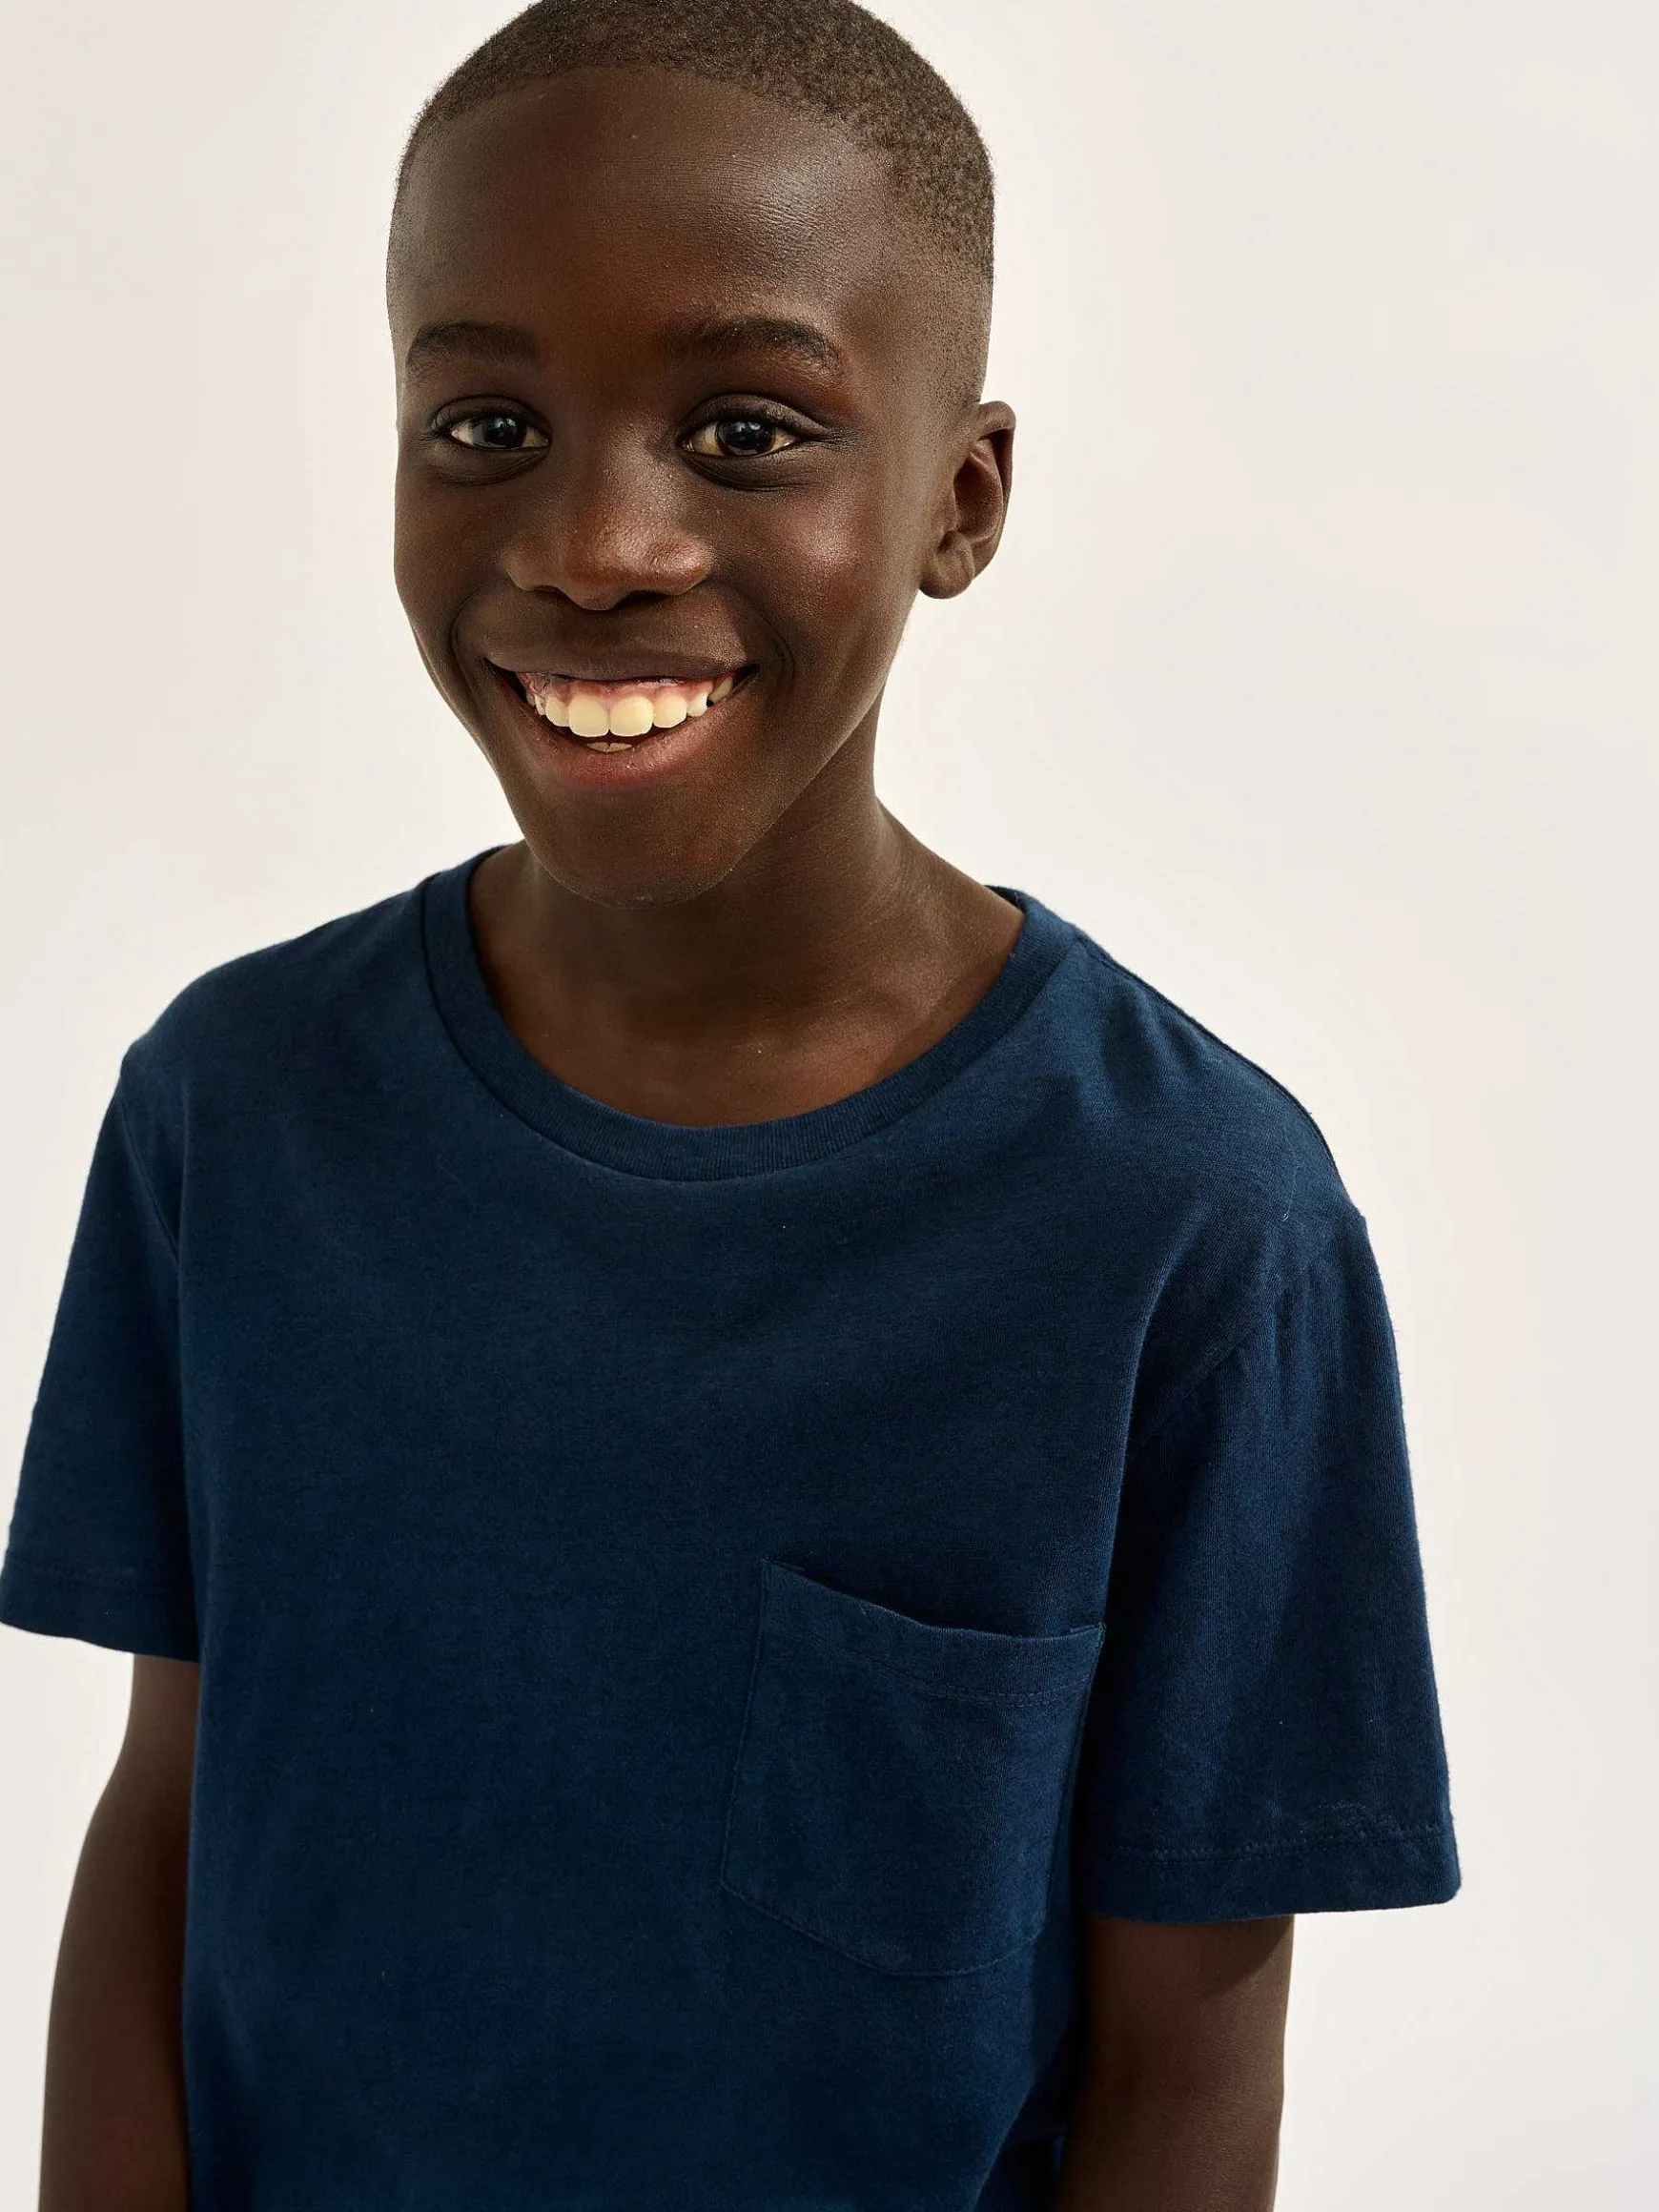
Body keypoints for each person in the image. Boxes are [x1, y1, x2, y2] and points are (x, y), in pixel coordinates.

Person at [0, 3, 1460, 2206]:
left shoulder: (1190, 1222)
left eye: (748, 429)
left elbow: (1189, 2047)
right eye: (487, 421)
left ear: (960, 499)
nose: (596, 539)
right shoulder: (233, 1107)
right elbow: (168, 1813)